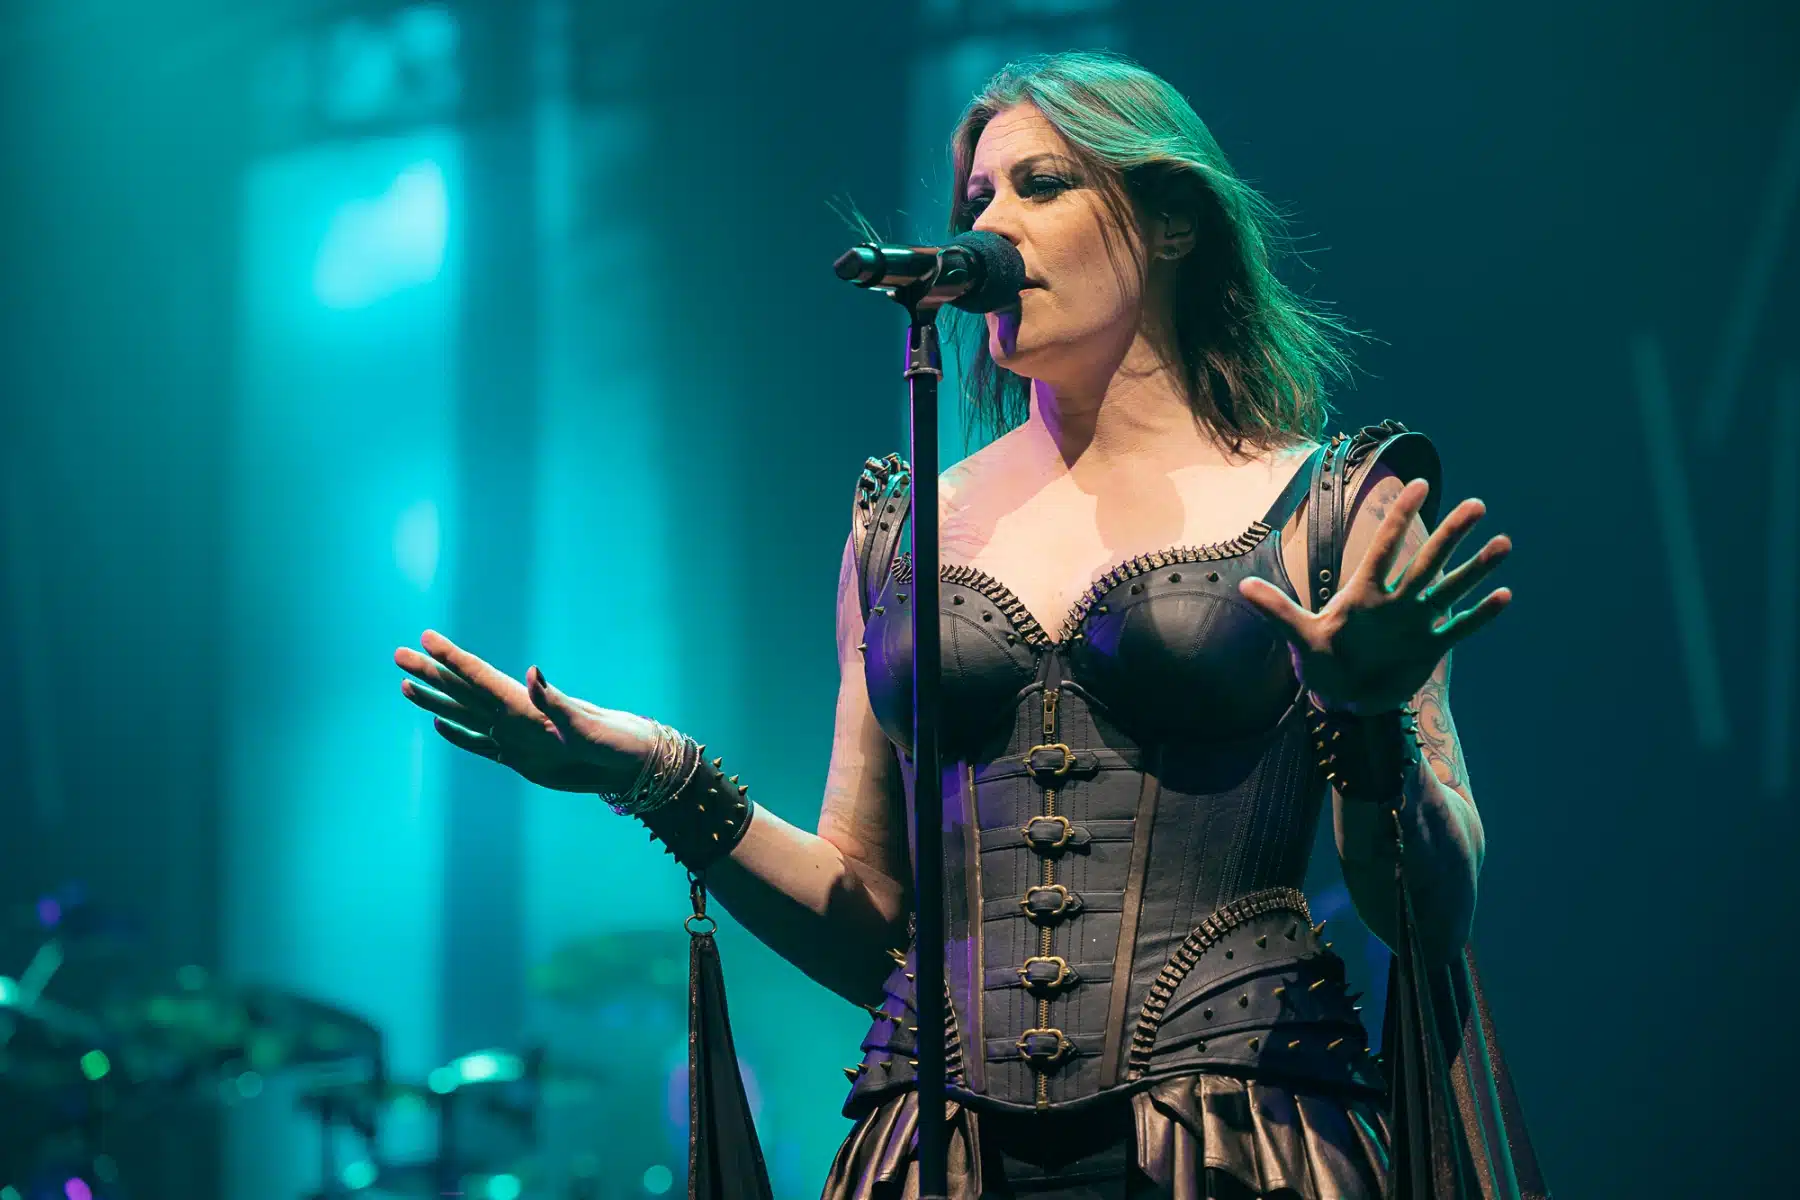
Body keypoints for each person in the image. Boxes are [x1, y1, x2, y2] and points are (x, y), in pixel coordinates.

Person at [395, 51, 1542, 1200]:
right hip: (936, 1153)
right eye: (978, 198)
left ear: (1174, 222)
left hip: (1235, 1141)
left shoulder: (1332, 508)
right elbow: (864, 915)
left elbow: (1428, 916)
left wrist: (1371, 721)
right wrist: (655, 774)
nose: (989, 224)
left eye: (1041, 185)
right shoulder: (900, 531)